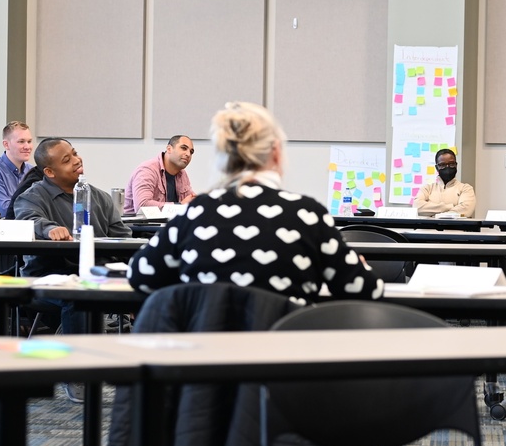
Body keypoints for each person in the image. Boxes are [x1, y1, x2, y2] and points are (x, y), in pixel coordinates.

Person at [127, 101, 384, 305]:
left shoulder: (196, 213)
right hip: (281, 363)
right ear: (275, 153)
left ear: (222, 159)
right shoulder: (308, 215)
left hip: (207, 362)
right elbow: (366, 291)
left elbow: (139, 275)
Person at [13, 138, 132, 402]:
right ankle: (76, 373)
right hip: (46, 277)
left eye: (75, 154)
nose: (77, 160)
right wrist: (48, 229)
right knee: (77, 295)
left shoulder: (97, 196)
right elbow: (28, 220)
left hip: (94, 274)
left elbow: (122, 235)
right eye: (67, 159)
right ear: (50, 172)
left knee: (146, 285)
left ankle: (145, 370)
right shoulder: (32, 196)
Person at [123, 134, 196, 214]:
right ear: (169, 149)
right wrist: (179, 206)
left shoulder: (182, 174)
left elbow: (189, 201)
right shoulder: (147, 170)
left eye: (191, 152)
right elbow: (142, 207)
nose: (188, 154)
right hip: (138, 225)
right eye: (184, 148)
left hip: (165, 224)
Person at [412, 149, 476, 217]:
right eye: (442, 165)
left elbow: (465, 211)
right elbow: (417, 207)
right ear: (437, 168)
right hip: (429, 227)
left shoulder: (465, 188)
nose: (447, 167)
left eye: (451, 164)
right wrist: (450, 207)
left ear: (456, 165)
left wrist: (435, 215)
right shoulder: (427, 188)